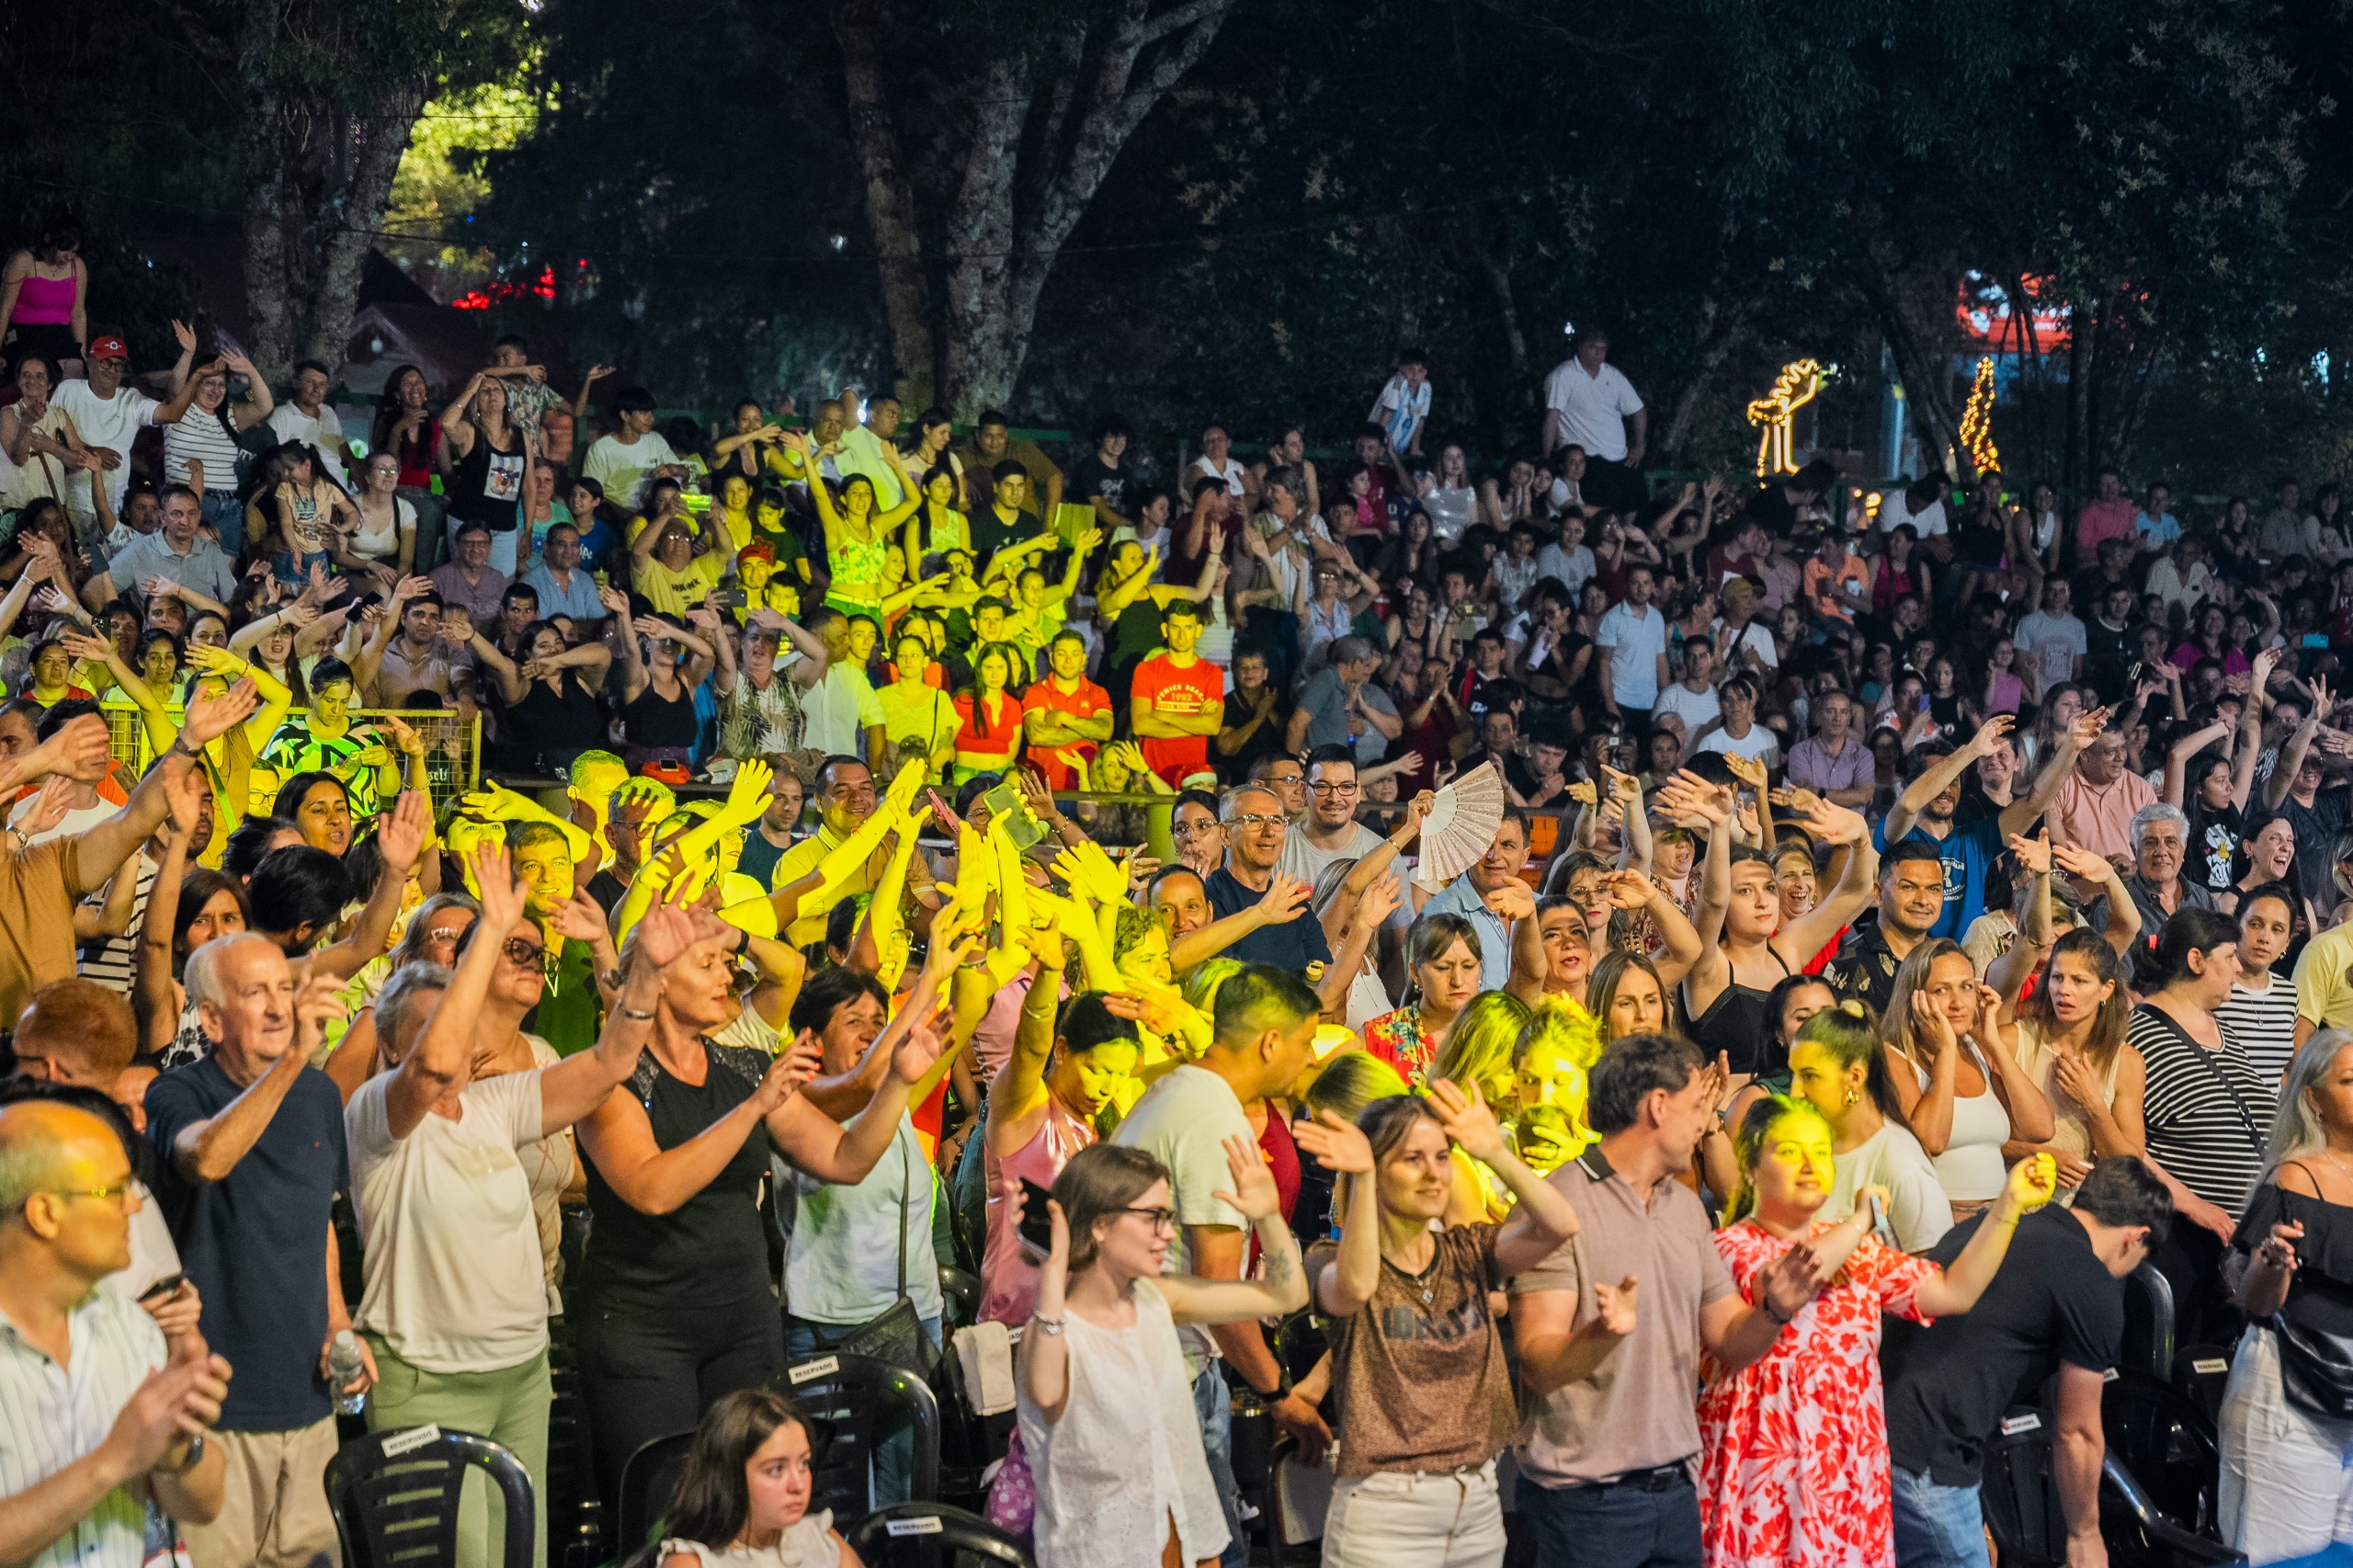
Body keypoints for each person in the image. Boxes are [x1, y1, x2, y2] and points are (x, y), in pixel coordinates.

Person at [347, 848, 678, 1568]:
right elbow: (432, 1068)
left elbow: (610, 1064)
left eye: (456, 1022)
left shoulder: (495, 1103)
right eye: (434, 1024)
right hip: (426, 1375)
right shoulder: (377, 1114)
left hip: (521, 1372)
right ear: (389, 1042)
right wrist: (492, 928)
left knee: (518, 1557)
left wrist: (645, 972)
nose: (453, 1037)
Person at [568, 901, 942, 1507]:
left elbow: (847, 1160)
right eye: (709, 963)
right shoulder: (608, 1079)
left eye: (727, 962)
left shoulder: (744, 1068)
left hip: (742, 1325)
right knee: (666, 1512)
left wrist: (898, 1081)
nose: (730, 976)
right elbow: (652, 1189)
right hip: (643, 1332)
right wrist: (753, 1110)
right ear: (655, 977)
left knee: (749, 1508)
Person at [1507, 1032, 1841, 1568]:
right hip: (1582, 1503)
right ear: (1657, 1107)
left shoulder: (1685, 1210)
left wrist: (1775, 1309)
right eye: (1696, 1109)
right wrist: (1598, 1336)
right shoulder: (1558, 1206)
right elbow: (1538, 1363)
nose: (1706, 1124)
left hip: (1677, 1493)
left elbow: (1731, 1340)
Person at [1699, 1097, 2058, 1568]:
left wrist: (2006, 1208)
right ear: (1749, 1170)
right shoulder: (1727, 1247)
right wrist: (1862, 1219)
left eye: (1821, 1152)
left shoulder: (1856, 1247)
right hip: (1763, 1465)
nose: (1810, 1164)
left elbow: (1953, 1292)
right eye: (1789, 1151)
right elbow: (1796, 1273)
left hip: (1848, 1465)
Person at [1290, 1080, 1581, 1568]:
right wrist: (1360, 1179)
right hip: (1384, 1514)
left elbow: (1560, 1225)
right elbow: (1357, 1287)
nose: (1433, 1175)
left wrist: (1492, 1151)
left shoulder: (1468, 1251)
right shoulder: (1326, 1261)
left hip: (1478, 1505)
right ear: (1375, 1172)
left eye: (1442, 1157)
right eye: (1412, 1159)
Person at [142, 932, 361, 1568]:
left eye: (285, 990)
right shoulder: (177, 1092)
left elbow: (318, 1215)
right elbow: (206, 1157)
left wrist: (339, 1323)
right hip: (216, 1408)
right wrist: (295, 1059)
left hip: (310, 1397)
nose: (278, 1007)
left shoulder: (319, 1097)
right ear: (210, 1018)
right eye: (256, 992)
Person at [1109, 965, 1324, 1566]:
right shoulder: (1213, 1121)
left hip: (1152, 1364)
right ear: (1270, 1043)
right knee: (1213, 1552)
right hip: (1160, 1376)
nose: (1309, 1059)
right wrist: (1278, 1392)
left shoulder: (1185, 1089)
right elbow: (1221, 1294)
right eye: (1306, 1042)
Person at [1018, 1135, 1309, 1568]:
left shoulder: (1157, 1299)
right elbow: (1044, 1391)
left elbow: (1286, 1294)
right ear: (1099, 1225)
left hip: (1182, 1544)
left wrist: (1267, 1217)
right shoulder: (1053, 1333)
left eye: (1168, 1216)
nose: (1168, 1233)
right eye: (1153, 1217)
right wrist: (1054, 1268)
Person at [1880, 1157, 2173, 1568]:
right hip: (1927, 1457)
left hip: (1867, 1436)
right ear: (2135, 1238)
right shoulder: (2091, 1281)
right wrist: (2085, 1534)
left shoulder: (1981, 1229)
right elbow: (2078, 1431)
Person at [0, 1099, 233, 1568]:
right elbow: (118, 1458)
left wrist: (176, 1449)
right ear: (45, 1213)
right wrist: (112, 1461)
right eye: (115, 1189)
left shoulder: (126, 1326)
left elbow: (204, 1505)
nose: (135, 1204)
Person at [2219, 1027, 2353, 1563]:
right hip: (2290, 1394)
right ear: (2313, 1099)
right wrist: (2274, 1265)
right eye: (2350, 1080)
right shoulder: (2296, 1178)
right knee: (2281, 1558)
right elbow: (2256, 1302)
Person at [2130, 907, 2269, 1346]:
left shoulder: (2223, 1028)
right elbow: (2126, 1145)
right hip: (2183, 1239)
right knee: (2183, 1362)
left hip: (2239, 1239)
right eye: (2229, 956)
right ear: (2195, 961)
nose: (2238, 967)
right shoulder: (2140, 1034)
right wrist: (2192, 1204)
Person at [983, 987, 1141, 1325]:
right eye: (1098, 1070)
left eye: (1121, 1074)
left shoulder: (1106, 1121)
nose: (1109, 1087)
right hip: (1019, 1316)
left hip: (1085, 1316)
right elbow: (1028, 1048)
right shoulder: (1027, 1107)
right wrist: (1049, 974)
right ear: (1062, 1049)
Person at [1785, 1004, 1952, 1250]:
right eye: (1794, 1075)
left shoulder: (1900, 1164)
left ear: (1854, 1078)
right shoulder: (1803, 1146)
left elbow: (1933, 1272)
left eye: (1809, 1076)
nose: (1795, 1092)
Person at [641, 1389, 863, 1568]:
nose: (798, 1485)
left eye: (803, 1463)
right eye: (776, 1469)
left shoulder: (822, 1538)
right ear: (729, 1475)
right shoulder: (693, 1563)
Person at [1540, 327, 1645, 511]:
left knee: (1636, 499)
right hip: (1585, 457)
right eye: (1593, 347)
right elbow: (1552, 417)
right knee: (1598, 509)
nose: (1598, 353)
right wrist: (1547, 457)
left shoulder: (1613, 375)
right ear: (1581, 348)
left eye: (1603, 349)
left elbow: (1638, 410)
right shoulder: (1564, 375)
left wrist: (1639, 445)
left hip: (1619, 456)